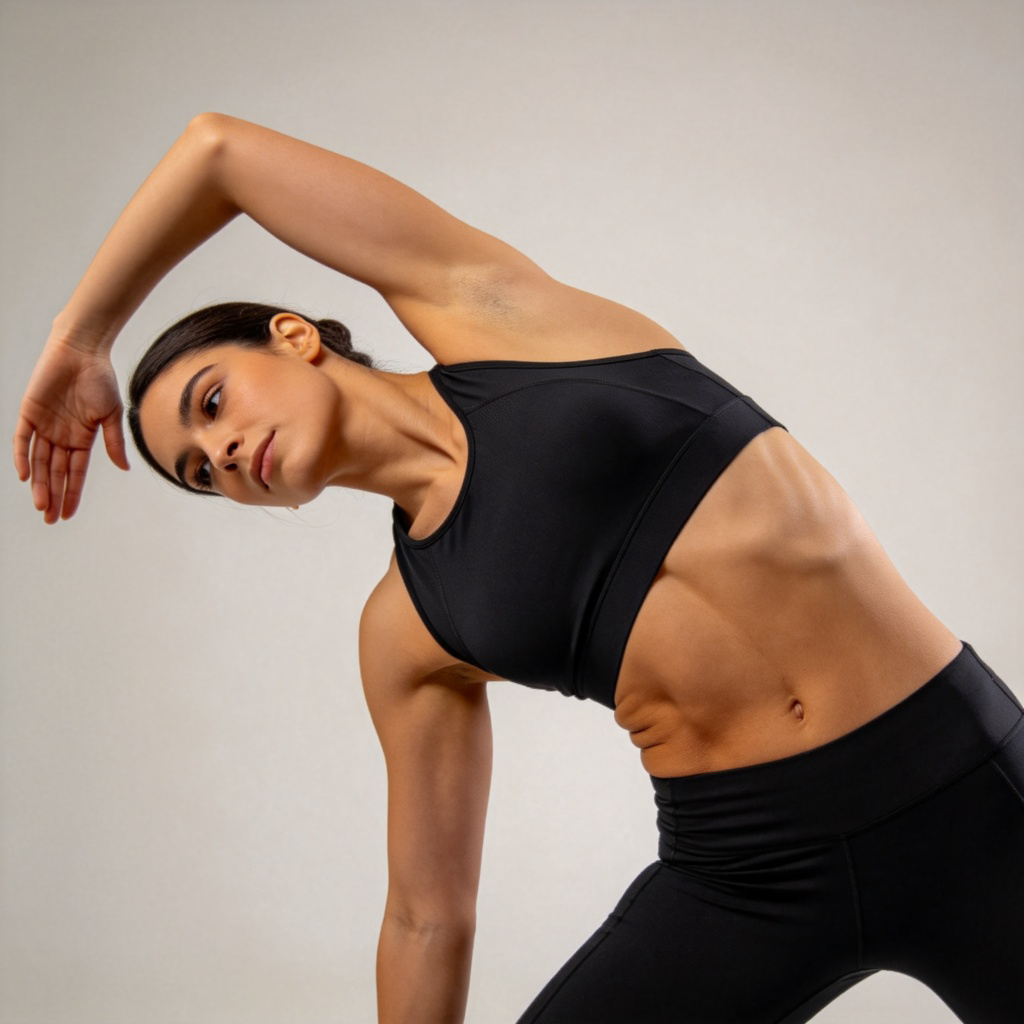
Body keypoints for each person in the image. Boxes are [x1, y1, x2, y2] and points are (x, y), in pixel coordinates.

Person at [13, 113, 1023, 1024]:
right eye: (200, 472)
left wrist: (84, 336)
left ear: (296, 336)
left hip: (966, 789)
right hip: (747, 874)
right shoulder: (407, 628)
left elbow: (217, 153)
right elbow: (424, 915)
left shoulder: (500, 320)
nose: (222, 453)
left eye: (210, 401)